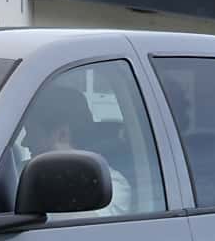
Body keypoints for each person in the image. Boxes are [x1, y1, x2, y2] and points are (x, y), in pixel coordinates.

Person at [22, 84, 133, 216]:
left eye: (31, 132)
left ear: (61, 134)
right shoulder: (23, 173)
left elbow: (82, 229)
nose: (25, 142)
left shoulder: (112, 186)